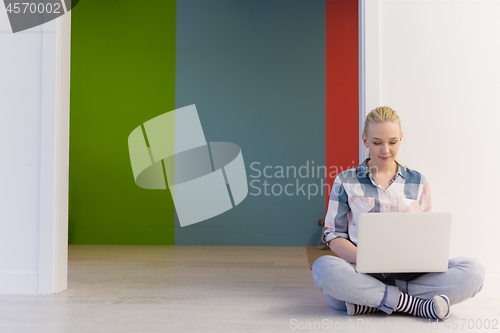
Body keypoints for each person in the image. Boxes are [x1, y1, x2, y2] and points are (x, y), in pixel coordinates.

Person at [311, 106, 485, 320]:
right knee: (323, 268)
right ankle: (415, 306)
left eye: (392, 142)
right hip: (362, 272)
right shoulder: (346, 180)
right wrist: (369, 260)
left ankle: (369, 302)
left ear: (401, 138)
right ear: (365, 141)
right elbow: (333, 235)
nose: (385, 150)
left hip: (410, 274)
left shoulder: (418, 181)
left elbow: (427, 235)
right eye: (377, 143)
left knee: (474, 272)